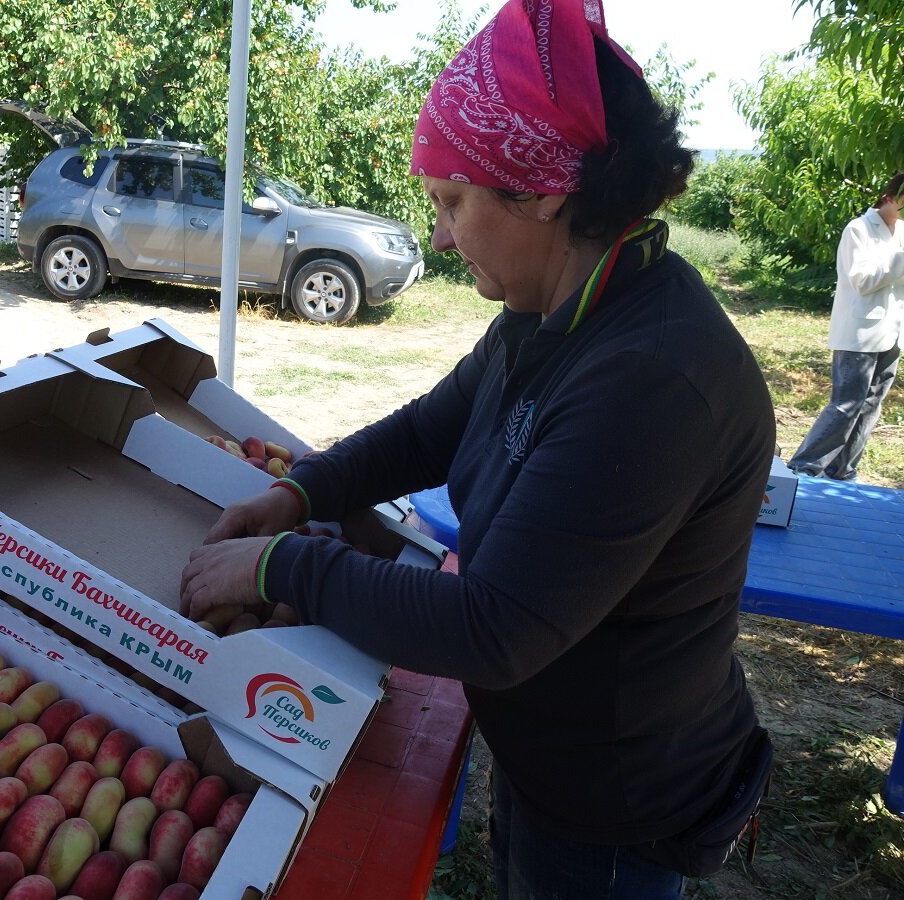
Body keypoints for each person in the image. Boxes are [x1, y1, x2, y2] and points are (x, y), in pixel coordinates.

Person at [180, 1, 776, 897]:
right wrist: (303, 492)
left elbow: (492, 629)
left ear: (540, 192)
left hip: (619, 803)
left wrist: (281, 568)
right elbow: (429, 429)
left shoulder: (652, 379)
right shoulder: (549, 315)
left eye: (453, 202)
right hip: (551, 757)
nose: (442, 236)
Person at [787, 174, 904, 481]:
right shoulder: (859, 229)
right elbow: (862, 281)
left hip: (893, 330)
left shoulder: (901, 231)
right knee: (846, 404)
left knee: (871, 405)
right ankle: (803, 469)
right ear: (890, 197)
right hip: (860, 333)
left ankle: (843, 470)